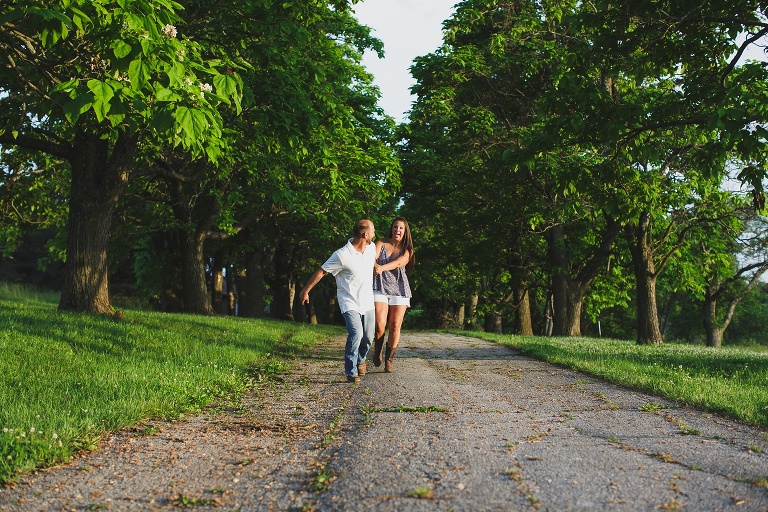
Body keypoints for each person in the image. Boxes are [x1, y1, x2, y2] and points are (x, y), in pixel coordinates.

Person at [300, 219, 377, 383]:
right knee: (356, 333)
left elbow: (372, 262)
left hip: (367, 300)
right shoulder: (341, 255)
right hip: (349, 301)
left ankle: (361, 359)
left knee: (369, 337)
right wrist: (305, 290)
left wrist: (377, 269)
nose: (374, 233)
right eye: (373, 231)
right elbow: (321, 271)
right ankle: (351, 371)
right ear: (365, 234)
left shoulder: (371, 248)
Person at [371, 217, 415, 373]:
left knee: (395, 325)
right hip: (379, 285)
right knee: (379, 325)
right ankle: (378, 350)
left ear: (405, 231)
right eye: (395, 227)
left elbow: (398, 263)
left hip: (399, 288)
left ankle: (389, 360)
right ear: (391, 228)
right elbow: (371, 258)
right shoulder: (381, 242)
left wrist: (381, 268)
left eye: (401, 228)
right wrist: (375, 265)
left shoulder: (407, 249)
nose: (398, 230)